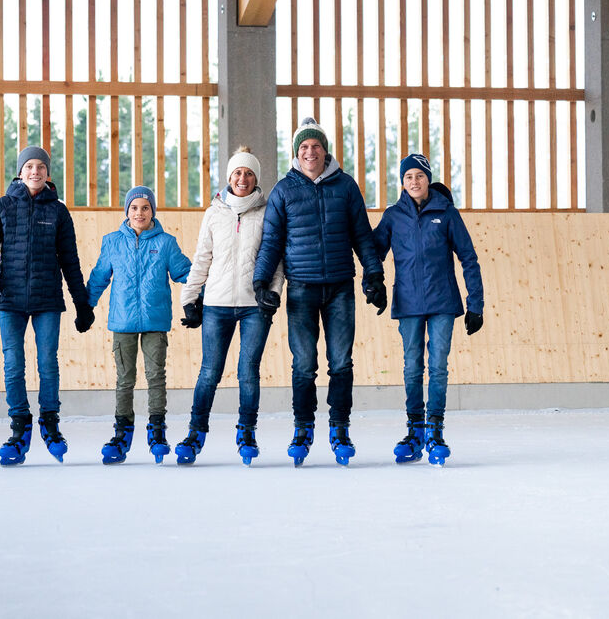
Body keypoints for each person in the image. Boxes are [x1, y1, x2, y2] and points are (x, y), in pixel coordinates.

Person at [252, 118, 387, 466]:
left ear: (325, 150)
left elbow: (362, 235)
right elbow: (272, 242)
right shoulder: (284, 190)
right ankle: (303, 426)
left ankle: (340, 427)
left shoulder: (346, 187)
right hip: (301, 289)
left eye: (315, 146)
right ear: (297, 153)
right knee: (304, 364)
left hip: (341, 287)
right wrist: (260, 282)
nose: (310, 152)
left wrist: (374, 274)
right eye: (304, 148)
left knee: (341, 362)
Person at [0, 145, 96, 466]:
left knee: (47, 364)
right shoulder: (1, 207)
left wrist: (82, 304)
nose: (35, 172)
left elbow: (70, 260)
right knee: (13, 365)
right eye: (29, 166)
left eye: (41, 166)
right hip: (10, 301)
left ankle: (51, 425)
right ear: (20, 171)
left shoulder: (57, 211)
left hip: (46, 301)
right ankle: (19, 428)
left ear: (48, 173)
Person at [370, 154, 484, 466]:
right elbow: (373, 252)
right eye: (409, 177)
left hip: (442, 303)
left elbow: (469, 258)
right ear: (402, 182)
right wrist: (374, 284)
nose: (415, 182)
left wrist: (476, 304)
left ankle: (435, 429)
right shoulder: (393, 216)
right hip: (408, 304)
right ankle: (414, 430)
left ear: (427, 179)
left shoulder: (446, 213)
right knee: (411, 367)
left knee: (437, 366)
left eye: (420, 176)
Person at [174, 147, 284, 466]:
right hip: (217, 305)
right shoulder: (215, 213)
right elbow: (202, 259)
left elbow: (275, 260)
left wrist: (273, 293)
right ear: (229, 177)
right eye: (237, 172)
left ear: (256, 179)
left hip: (254, 306)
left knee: (248, 372)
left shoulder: (267, 212)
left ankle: (246, 433)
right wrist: (189, 298)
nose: (243, 178)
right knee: (209, 372)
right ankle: (195, 434)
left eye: (249, 173)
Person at [86, 186, 191, 464]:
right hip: (123, 321)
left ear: (152, 211)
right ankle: (122, 433)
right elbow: (99, 277)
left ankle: (157, 430)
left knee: (156, 376)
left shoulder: (166, 243)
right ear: (127, 211)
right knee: (125, 379)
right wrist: (87, 306)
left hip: (155, 320)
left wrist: (200, 298)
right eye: (134, 208)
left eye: (145, 207)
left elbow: (186, 272)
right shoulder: (112, 242)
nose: (139, 213)